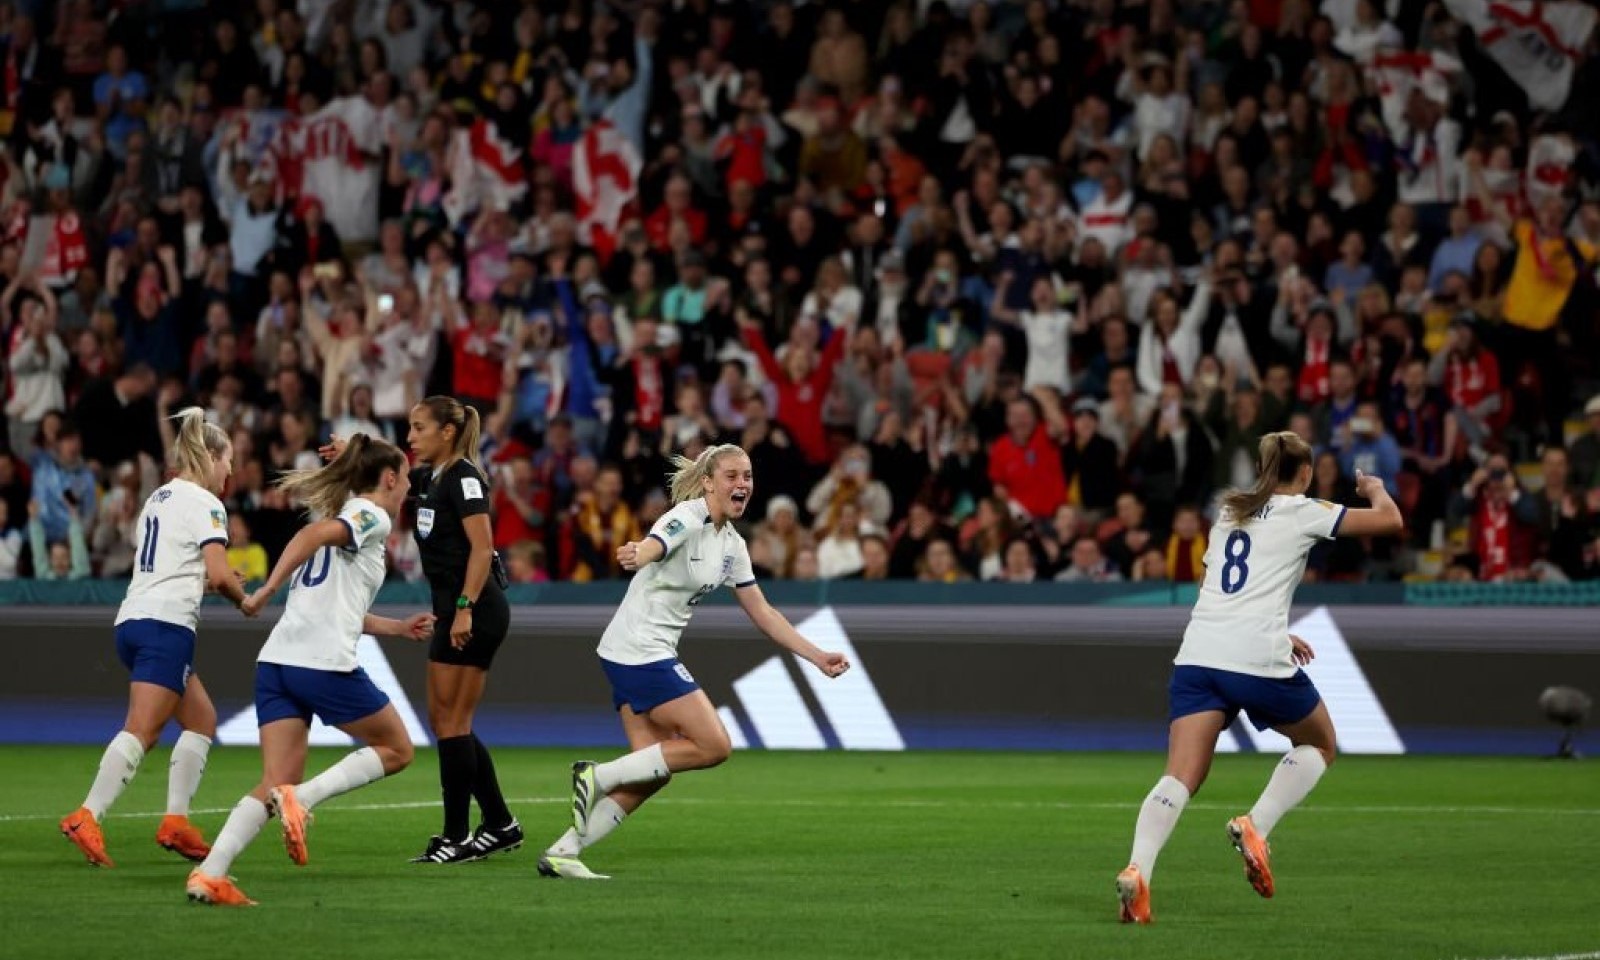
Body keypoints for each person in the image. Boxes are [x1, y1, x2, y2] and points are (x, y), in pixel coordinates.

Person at [1115, 431, 1403, 924]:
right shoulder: (1305, 509)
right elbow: (1391, 521)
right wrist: (1374, 488)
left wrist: (1277, 629)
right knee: (1321, 745)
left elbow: (1220, 587)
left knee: (1180, 775)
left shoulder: (1230, 514)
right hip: (1255, 658)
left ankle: (1138, 871)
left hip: (1200, 652)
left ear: (1260, 467)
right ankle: (1256, 826)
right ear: (1306, 473)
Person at [540, 444, 851, 879]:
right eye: (731, 475)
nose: (742, 484)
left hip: (635, 650)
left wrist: (816, 656)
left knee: (651, 771)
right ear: (708, 481)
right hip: (639, 649)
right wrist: (638, 553)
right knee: (714, 745)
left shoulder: (733, 545)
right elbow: (655, 542)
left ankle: (564, 852)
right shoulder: (688, 516)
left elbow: (763, 613)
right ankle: (597, 775)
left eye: (747, 476)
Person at [186, 435, 435, 906]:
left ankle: (210, 874)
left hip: (278, 662)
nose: (408, 486)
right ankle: (304, 799)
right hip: (320, 663)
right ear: (387, 478)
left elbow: (337, 607)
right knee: (398, 748)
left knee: (274, 780)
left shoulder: (345, 518)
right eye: (404, 476)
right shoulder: (372, 516)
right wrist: (266, 590)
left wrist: (397, 628)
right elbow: (307, 536)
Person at [322, 395, 518, 864]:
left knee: (452, 722)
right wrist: (355, 450)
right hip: (454, 608)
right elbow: (389, 471)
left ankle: (456, 837)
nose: (409, 437)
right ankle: (499, 823)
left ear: (446, 432)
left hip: (474, 609)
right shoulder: (432, 478)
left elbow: (481, 548)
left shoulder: (465, 479)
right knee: (448, 722)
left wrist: (466, 608)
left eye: (418, 428)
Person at [60, 409, 249, 868]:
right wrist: (244, 597)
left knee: (202, 718)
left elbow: (175, 571)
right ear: (210, 456)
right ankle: (88, 814)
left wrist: (209, 583)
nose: (232, 471)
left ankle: (176, 821)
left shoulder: (158, 498)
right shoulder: (207, 505)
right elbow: (221, 574)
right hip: (166, 627)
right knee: (142, 730)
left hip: (134, 621)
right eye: (229, 461)